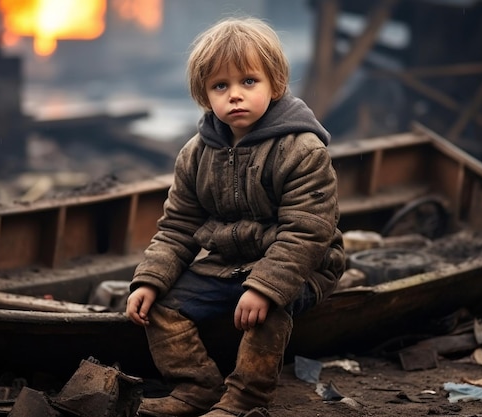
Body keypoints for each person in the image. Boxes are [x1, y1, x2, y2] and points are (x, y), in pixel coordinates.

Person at [126, 16, 345, 417]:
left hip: (303, 265)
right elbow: (178, 227)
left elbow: (307, 233)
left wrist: (264, 287)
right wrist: (150, 279)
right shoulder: (196, 154)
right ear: (204, 95)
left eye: (249, 81)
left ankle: (246, 397)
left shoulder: (302, 149)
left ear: (275, 85)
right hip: (229, 263)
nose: (235, 95)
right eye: (220, 86)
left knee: (269, 309)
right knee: (161, 306)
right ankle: (197, 387)